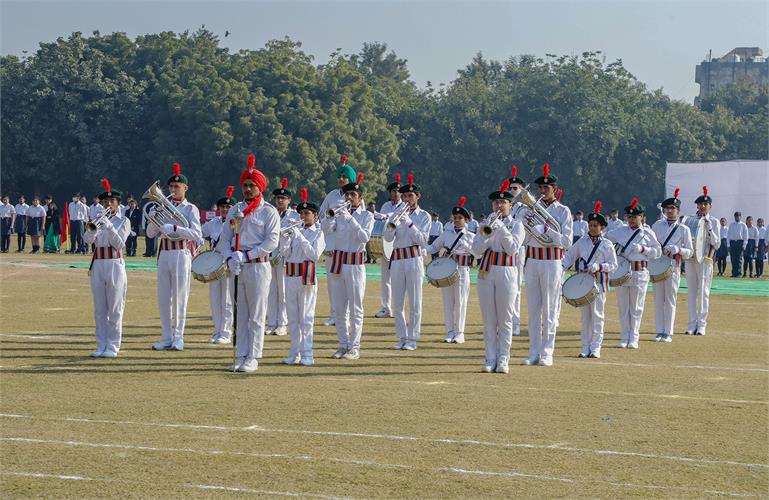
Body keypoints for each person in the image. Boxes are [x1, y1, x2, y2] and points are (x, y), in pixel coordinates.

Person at [216, 155, 279, 372]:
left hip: (258, 265)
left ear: (260, 187)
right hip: (238, 265)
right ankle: (241, 353)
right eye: (245, 185)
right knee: (240, 313)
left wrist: (248, 255)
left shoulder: (268, 211)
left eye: (252, 185)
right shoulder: (235, 210)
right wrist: (229, 257)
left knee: (256, 314)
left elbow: (272, 241)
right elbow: (225, 238)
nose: (248, 189)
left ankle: (253, 355)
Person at [147, 162, 203, 351]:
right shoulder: (161, 206)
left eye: (177, 187)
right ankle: (166, 337)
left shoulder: (190, 209)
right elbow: (150, 234)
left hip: (181, 252)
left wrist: (175, 228)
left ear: (185, 188)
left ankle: (179, 337)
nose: (173, 190)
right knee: (164, 297)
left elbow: (197, 235)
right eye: (170, 187)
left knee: (180, 296)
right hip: (164, 252)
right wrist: (154, 218)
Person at [472, 179, 526, 373]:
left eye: (503, 202)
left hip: (507, 270)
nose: (499, 205)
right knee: (489, 319)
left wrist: (501, 229)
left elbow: (512, 250)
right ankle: (490, 358)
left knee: (505, 318)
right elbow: (476, 250)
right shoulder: (484, 224)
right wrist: (486, 235)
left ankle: (503, 358)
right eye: (496, 202)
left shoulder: (517, 225)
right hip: (487, 271)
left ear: (510, 205)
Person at [522, 163, 573, 366]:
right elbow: (524, 238)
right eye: (541, 188)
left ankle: (547, 352)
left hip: (552, 261)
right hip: (532, 260)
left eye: (546, 188)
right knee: (533, 310)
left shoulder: (563, 211)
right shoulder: (530, 209)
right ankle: (534, 351)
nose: (543, 191)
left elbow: (567, 242)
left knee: (550, 309)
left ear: (555, 189)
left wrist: (547, 230)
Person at [322, 172, 373, 360]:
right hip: (338, 261)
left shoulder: (367, 215)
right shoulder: (340, 213)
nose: (349, 197)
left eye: (353, 195)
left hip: (355, 263)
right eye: (346, 194)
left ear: (360, 197)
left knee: (356, 308)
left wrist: (350, 219)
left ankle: (354, 347)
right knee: (339, 307)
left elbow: (364, 237)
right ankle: (343, 344)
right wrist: (331, 217)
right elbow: (325, 229)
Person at [561, 201, 618, 358]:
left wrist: (599, 266)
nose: (592, 228)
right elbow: (570, 256)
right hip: (583, 283)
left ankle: (595, 347)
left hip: (598, 283)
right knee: (585, 317)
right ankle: (585, 347)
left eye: (595, 225)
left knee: (597, 316)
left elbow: (613, 265)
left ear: (602, 227)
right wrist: (561, 267)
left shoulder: (607, 244)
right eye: (590, 225)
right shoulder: (582, 241)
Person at [607, 198, 662, 349]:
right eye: (629, 216)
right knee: (623, 307)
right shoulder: (620, 231)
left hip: (639, 271)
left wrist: (643, 249)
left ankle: (634, 337)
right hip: (622, 272)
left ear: (642, 217)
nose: (631, 219)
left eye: (634, 217)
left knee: (636, 307)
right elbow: (605, 240)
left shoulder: (648, 233)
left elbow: (658, 252)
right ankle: (624, 336)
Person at [385, 173, 431, 351]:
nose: (406, 199)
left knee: (414, 301)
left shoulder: (424, 216)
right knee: (397, 302)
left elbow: (423, 240)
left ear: (417, 197)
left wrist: (410, 223)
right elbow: (388, 238)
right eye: (404, 196)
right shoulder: (396, 214)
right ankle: (402, 336)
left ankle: (412, 338)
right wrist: (394, 222)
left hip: (413, 258)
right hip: (397, 259)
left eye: (410, 196)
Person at [85, 179, 130, 358]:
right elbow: (87, 240)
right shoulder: (97, 219)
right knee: (100, 308)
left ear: (118, 204)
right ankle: (101, 345)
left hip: (114, 263)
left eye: (111, 201)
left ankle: (112, 346)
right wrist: (94, 228)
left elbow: (119, 244)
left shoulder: (124, 220)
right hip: (98, 263)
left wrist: (109, 227)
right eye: (105, 202)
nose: (108, 204)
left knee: (115, 307)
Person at [281, 188, 325, 366]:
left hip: (306, 276)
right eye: (301, 213)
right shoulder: (295, 231)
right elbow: (286, 254)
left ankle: (307, 353)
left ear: (315, 216)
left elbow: (314, 255)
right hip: (291, 275)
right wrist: (285, 238)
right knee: (293, 317)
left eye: (307, 213)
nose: (303, 216)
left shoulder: (318, 233)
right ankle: (294, 352)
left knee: (306, 317)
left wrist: (299, 236)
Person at [426, 196, 476, 344]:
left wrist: (466, 245)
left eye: (460, 218)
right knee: (448, 302)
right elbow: (434, 246)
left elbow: (478, 253)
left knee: (460, 301)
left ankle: (459, 332)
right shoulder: (446, 233)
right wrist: (421, 251)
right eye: (455, 217)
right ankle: (449, 332)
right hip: (447, 270)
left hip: (462, 270)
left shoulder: (471, 236)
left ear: (466, 220)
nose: (457, 220)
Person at [318, 154, 357, 326]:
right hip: (331, 243)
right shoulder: (332, 195)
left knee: (346, 283)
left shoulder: (355, 197)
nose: (341, 179)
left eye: (344, 177)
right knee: (332, 282)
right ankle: (334, 315)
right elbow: (321, 214)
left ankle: (345, 316)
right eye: (339, 176)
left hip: (347, 246)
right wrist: (329, 221)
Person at [651, 189, 693, 343]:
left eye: (672, 208)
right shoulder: (657, 225)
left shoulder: (684, 229)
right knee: (658, 300)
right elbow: (651, 243)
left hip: (673, 267)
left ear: (678, 210)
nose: (669, 211)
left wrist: (678, 250)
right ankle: (659, 331)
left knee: (670, 300)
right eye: (667, 208)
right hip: (658, 266)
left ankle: (668, 332)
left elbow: (690, 252)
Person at [201, 186, 237, 345]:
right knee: (215, 298)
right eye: (222, 207)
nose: (225, 209)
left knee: (227, 300)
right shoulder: (213, 223)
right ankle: (217, 330)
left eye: (228, 207)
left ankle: (226, 332)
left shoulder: (236, 223)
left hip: (228, 263)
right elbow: (200, 233)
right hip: (214, 264)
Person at [265, 179, 300, 336]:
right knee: (271, 291)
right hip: (270, 255)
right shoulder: (271, 214)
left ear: (289, 200)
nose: (280, 200)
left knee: (283, 292)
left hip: (285, 256)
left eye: (283, 198)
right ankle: (272, 322)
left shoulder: (295, 216)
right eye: (278, 198)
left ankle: (282, 323)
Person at [685, 186, 720, 336]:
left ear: (710, 206)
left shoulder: (714, 221)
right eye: (700, 204)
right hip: (691, 259)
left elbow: (717, 244)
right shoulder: (690, 220)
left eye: (705, 204)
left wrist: (710, 229)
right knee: (692, 292)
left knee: (703, 293)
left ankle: (702, 324)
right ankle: (691, 324)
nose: (703, 206)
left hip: (705, 260)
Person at [374, 173, 402, 318]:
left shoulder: (405, 206)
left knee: (398, 280)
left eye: (398, 191)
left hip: (399, 246)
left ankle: (398, 309)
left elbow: (392, 217)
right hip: (386, 245)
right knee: (385, 279)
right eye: (393, 191)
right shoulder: (385, 205)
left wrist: (386, 216)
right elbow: (382, 222)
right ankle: (386, 308)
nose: (395, 193)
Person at [507, 166, 527, 336]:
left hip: (518, 248)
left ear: (521, 189)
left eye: (515, 188)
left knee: (516, 286)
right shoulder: (505, 205)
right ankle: (505, 322)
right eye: (510, 188)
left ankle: (515, 323)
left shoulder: (525, 208)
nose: (512, 190)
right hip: (502, 249)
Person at [727, 211, 747, 278]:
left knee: (739, 258)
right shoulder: (731, 225)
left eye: (738, 216)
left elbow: (745, 236)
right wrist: (728, 245)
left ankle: (739, 273)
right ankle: (734, 273)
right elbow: (728, 235)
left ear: (740, 217)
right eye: (736, 216)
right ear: (734, 217)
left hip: (740, 242)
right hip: (732, 242)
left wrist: (744, 245)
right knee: (733, 258)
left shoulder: (743, 225)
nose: (737, 217)